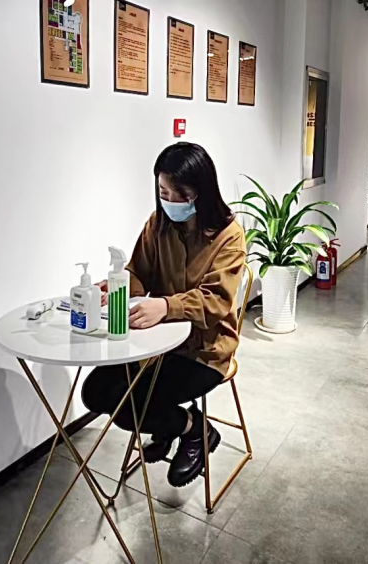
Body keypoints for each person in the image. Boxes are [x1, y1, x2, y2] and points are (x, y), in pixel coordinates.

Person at [81, 142, 246, 488]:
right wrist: (117, 285)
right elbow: (139, 273)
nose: (170, 201)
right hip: (156, 344)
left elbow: (216, 300)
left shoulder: (228, 235)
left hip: (204, 351)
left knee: (132, 407)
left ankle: (193, 429)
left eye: (178, 193)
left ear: (201, 190)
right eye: (163, 192)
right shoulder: (157, 225)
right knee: (95, 392)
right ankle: (178, 425)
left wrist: (166, 306)